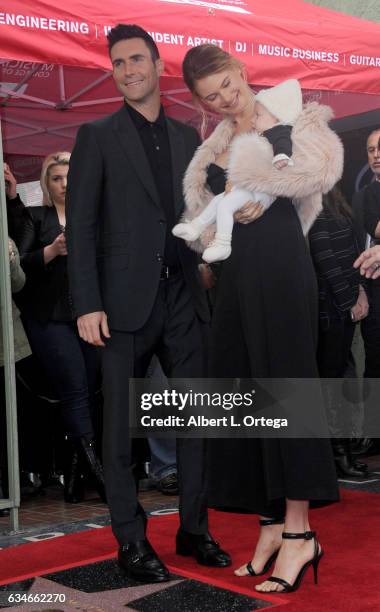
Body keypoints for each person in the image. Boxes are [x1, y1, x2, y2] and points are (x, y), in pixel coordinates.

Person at [65, 24, 230, 584]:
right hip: (119, 304)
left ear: (159, 65)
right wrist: (86, 302)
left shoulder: (191, 139)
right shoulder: (97, 134)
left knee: (197, 423)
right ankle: (130, 541)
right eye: (118, 63)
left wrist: (208, 260)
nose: (128, 69)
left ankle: (194, 529)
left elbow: (199, 213)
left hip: (185, 294)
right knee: (120, 431)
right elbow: (82, 228)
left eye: (137, 59)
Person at [180, 43, 341, 594]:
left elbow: (320, 171)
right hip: (237, 275)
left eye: (226, 83)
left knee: (285, 391)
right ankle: (270, 525)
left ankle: (300, 535)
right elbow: (200, 204)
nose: (224, 98)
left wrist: (267, 191)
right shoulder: (217, 141)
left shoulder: (290, 114)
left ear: (240, 70)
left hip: (279, 264)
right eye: (210, 95)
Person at [18, 152, 105, 505]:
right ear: (46, 183)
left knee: (92, 390)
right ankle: (100, 477)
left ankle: (73, 477)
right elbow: (18, 266)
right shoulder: (35, 217)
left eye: (69, 177)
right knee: (74, 390)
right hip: (50, 319)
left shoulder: (93, 218)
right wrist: (51, 251)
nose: (64, 184)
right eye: (56, 178)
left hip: (90, 315)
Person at [172, 79, 302, 263]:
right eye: (211, 96)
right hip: (247, 232)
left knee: (225, 204)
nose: (253, 120)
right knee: (219, 200)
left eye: (258, 115)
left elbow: (283, 149)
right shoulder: (259, 136)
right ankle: (196, 226)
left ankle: (222, 243)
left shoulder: (279, 132)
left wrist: (281, 157)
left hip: (266, 205)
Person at [309, 184, 369, 477]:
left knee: (340, 380)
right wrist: (350, 301)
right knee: (330, 384)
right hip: (329, 311)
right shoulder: (315, 206)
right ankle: (336, 456)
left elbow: (352, 254)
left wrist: (358, 291)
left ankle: (341, 451)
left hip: (341, 306)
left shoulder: (336, 201)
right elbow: (326, 260)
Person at [351, 128, 380, 456]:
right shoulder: (365, 196)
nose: (376, 154)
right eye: (371, 149)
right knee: (375, 361)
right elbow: (375, 227)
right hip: (376, 288)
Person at [0, 238, 31, 515]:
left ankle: (9, 485)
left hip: (5, 333)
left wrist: (10, 258)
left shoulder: (4, 234)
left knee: (8, 415)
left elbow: (18, 284)